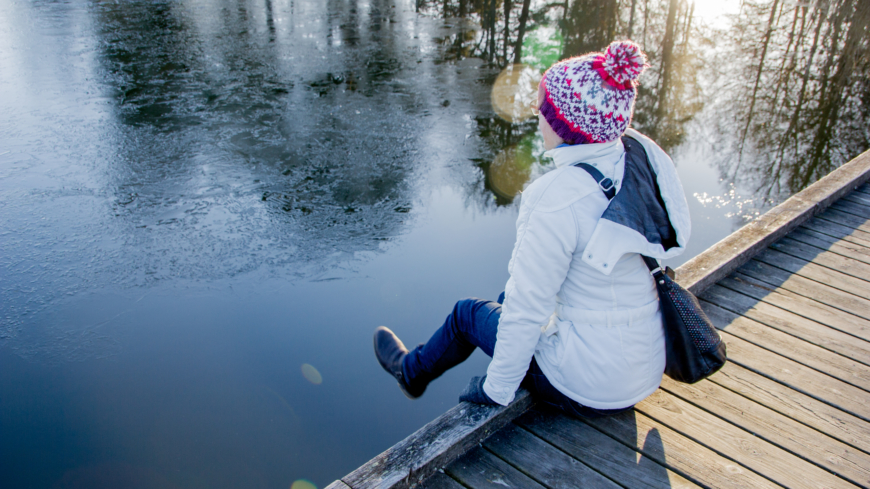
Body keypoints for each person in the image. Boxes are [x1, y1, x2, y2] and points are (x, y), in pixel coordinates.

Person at [373, 40, 690, 417]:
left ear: (563, 123)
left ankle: (410, 374)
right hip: (644, 368)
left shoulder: (555, 197)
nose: (537, 114)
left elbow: (528, 312)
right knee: (512, 292)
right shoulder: (642, 161)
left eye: (544, 107)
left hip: (586, 385)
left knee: (466, 315)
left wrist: (496, 389)